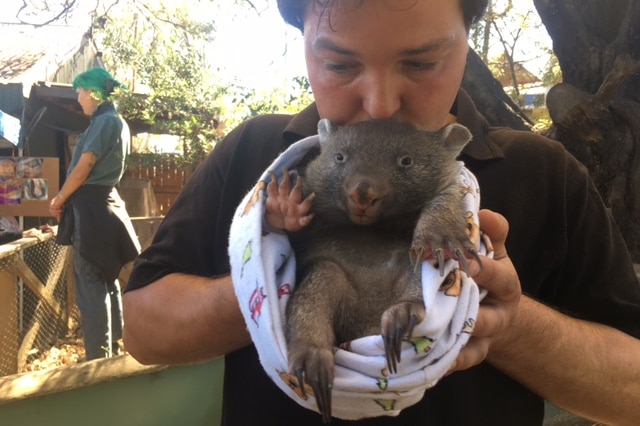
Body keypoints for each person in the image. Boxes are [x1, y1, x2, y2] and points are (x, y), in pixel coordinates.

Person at [122, 1, 640, 424]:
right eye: (340, 65)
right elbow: (144, 332)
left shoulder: (544, 172)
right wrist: (272, 269)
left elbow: (630, 393)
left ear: (467, 39)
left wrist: (503, 323)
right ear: (303, 45)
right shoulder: (255, 156)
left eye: (420, 63)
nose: (380, 103)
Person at [49, 67, 140, 361]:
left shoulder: (105, 122)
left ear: (94, 93)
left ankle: (97, 361)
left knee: (90, 286)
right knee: (107, 278)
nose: (78, 99)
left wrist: (60, 198)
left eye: (79, 92)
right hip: (105, 206)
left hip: (91, 211)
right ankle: (112, 353)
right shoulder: (117, 123)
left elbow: (85, 164)